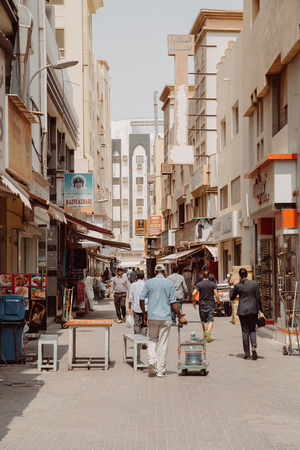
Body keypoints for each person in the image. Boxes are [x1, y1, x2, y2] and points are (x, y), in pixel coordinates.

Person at [140, 264, 188, 378]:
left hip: (152, 316)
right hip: (165, 318)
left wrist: (144, 313)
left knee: (152, 339)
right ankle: (160, 371)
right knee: (162, 343)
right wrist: (180, 316)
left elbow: (141, 299)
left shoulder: (148, 283)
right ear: (165, 272)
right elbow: (173, 303)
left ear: (155, 272)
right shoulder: (169, 283)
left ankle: (151, 361)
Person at [230, 267, 262, 360]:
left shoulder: (238, 286)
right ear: (247, 275)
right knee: (252, 329)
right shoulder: (254, 284)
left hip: (243, 311)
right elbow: (258, 297)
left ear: (239, 275)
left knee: (245, 331)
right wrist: (261, 309)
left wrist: (231, 286)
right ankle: (254, 347)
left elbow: (232, 298)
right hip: (253, 310)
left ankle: (247, 354)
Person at [192, 270, 221, 343]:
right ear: (209, 276)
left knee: (203, 320)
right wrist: (219, 304)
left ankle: (205, 333)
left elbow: (193, 293)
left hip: (202, 304)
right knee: (211, 320)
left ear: (202, 276)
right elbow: (217, 295)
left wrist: (194, 302)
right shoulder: (213, 284)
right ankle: (208, 331)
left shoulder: (199, 284)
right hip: (210, 303)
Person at [128, 271, 148, 338]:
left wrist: (129, 308)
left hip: (136, 308)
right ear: (143, 277)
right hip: (145, 308)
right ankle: (144, 338)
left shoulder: (133, 285)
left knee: (137, 325)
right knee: (144, 324)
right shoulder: (146, 284)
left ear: (136, 277)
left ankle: (137, 340)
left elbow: (131, 298)